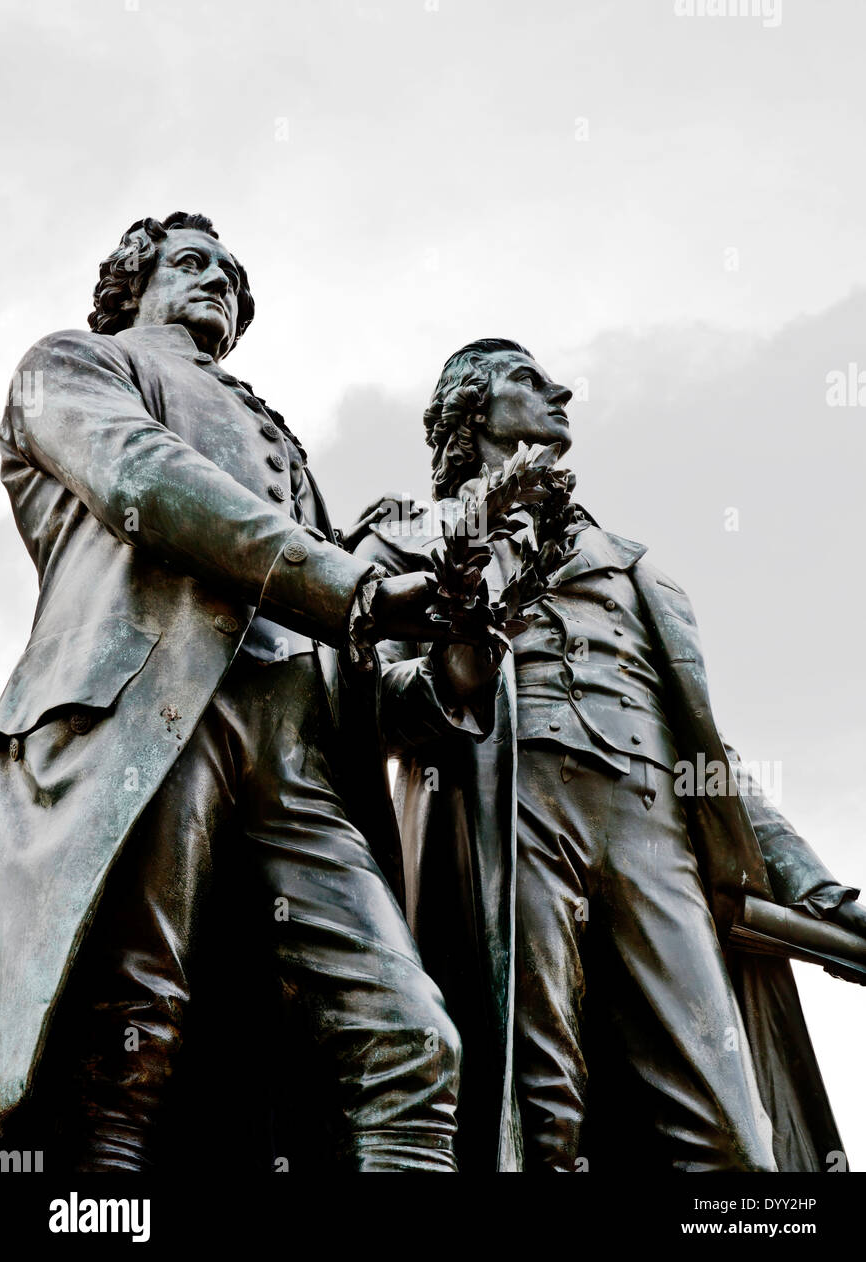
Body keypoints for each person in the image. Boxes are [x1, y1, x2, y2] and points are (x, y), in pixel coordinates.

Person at [0, 212, 479, 1172]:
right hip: (138, 719)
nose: (220, 280)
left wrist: (467, 639)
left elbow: (358, 662)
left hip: (300, 759)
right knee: (122, 1044)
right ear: (131, 282)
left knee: (414, 1042)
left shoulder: (281, 441)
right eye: (191, 262)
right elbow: (151, 480)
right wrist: (354, 588)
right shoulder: (72, 366)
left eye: (233, 272)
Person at [354, 336, 865, 1172]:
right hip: (505, 813)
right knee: (538, 1111)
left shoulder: (633, 568)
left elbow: (709, 755)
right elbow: (357, 700)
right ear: (469, 411)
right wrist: (454, 673)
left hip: (652, 827)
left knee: (731, 1134)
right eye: (528, 379)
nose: (560, 393)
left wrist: (815, 888)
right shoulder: (403, 539)